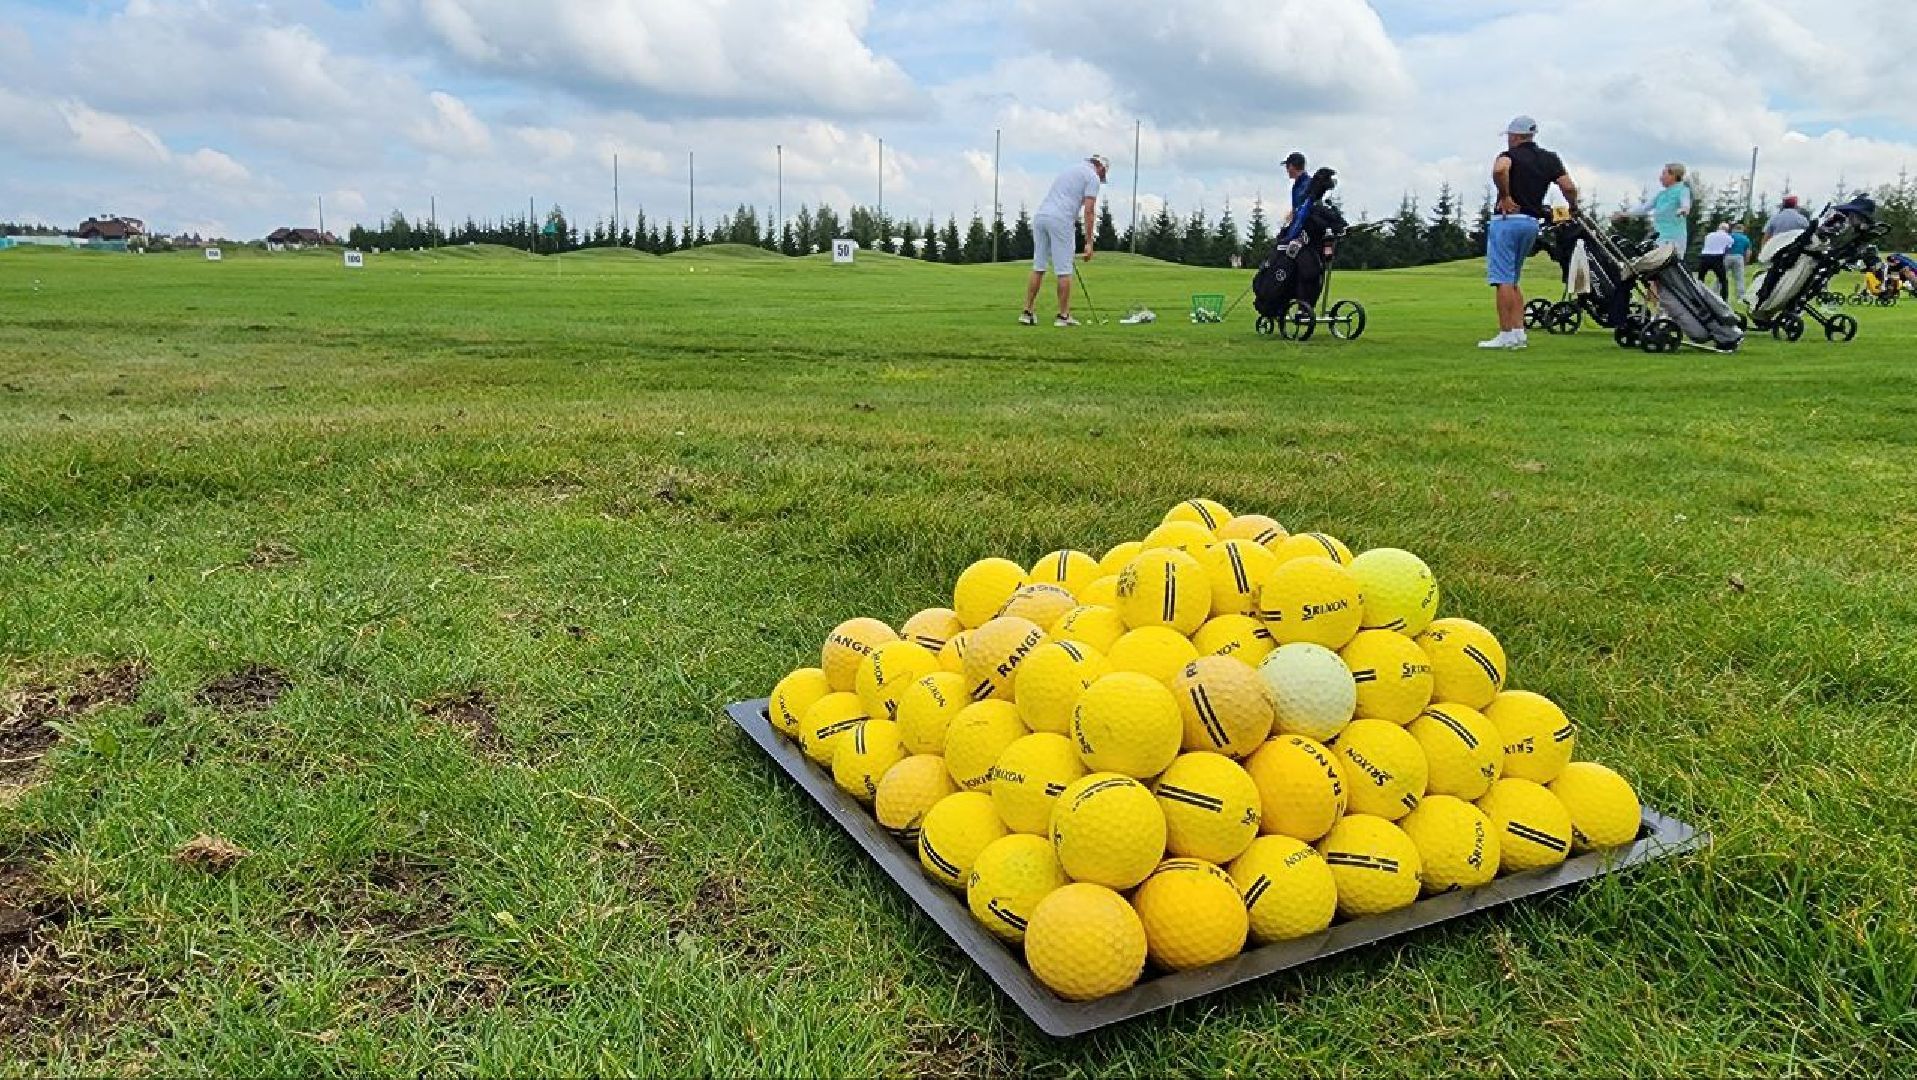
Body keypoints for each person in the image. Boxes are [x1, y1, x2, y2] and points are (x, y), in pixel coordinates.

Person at [1479, 116, 1579, 350]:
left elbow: (1500, 170)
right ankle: (1518, 332)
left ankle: (1505, 334)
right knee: (1513, 279)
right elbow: (1568, 187)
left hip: (1507, 220)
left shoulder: (1508, 156)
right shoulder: (1549, 158)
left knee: (1502, 279)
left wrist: (1506, 196)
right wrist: (1573, 206)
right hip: (1531, 223)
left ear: (1515, 136)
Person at [1020, 154, 1108, 327]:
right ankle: (1063, 316)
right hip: (1060, 221)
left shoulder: (1070, 169)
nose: (1101, 178)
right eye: (1103, 174)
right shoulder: (1093, 177)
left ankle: (1027, 312)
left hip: (1041, 218)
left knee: (1039, 266)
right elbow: (1089, 211)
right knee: (1064, 270)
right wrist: (1089, 242)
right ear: (1100, 168)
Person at [1625, 163, 1692, 251]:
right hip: (1659, 237)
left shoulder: (1682, 190)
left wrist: (1684, 209)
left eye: (1664, 174)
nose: (1661, 177)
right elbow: (1644, 208)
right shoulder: (1661, 194)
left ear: (1673, 176)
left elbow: (1685, 203)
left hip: (1674, 238)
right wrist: (1624, 214)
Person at [1698, 222, 1734, 299]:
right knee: (1723, 280)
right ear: (1727, 230)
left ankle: (1698, 294)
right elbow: (1727, 250)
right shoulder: (1729, 238)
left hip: (1705, 257)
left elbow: (1706, 245)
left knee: (1701, 278)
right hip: (1717, 258)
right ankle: (1724, 298)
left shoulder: (1709, 235)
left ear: (1718, 228)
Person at [1281, 151, 1310, 229]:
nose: (1287, 170)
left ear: (1291, 166)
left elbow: (1301, 208)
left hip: (1304, 226)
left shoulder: (1305, 184)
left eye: (1287, 166)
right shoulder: (1297, 185)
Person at [1725, 222, 1752, 300]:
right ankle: (1741, 297)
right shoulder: (1746, 238)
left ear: (1734, 229)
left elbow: (1724, 247)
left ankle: (1715, 292)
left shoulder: (1729, 236)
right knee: (1740, 278)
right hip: (1739, 257)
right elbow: (1748, 252)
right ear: (1742, 230)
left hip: (1727, 256)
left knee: (1721, 276)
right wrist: (1746, 262)